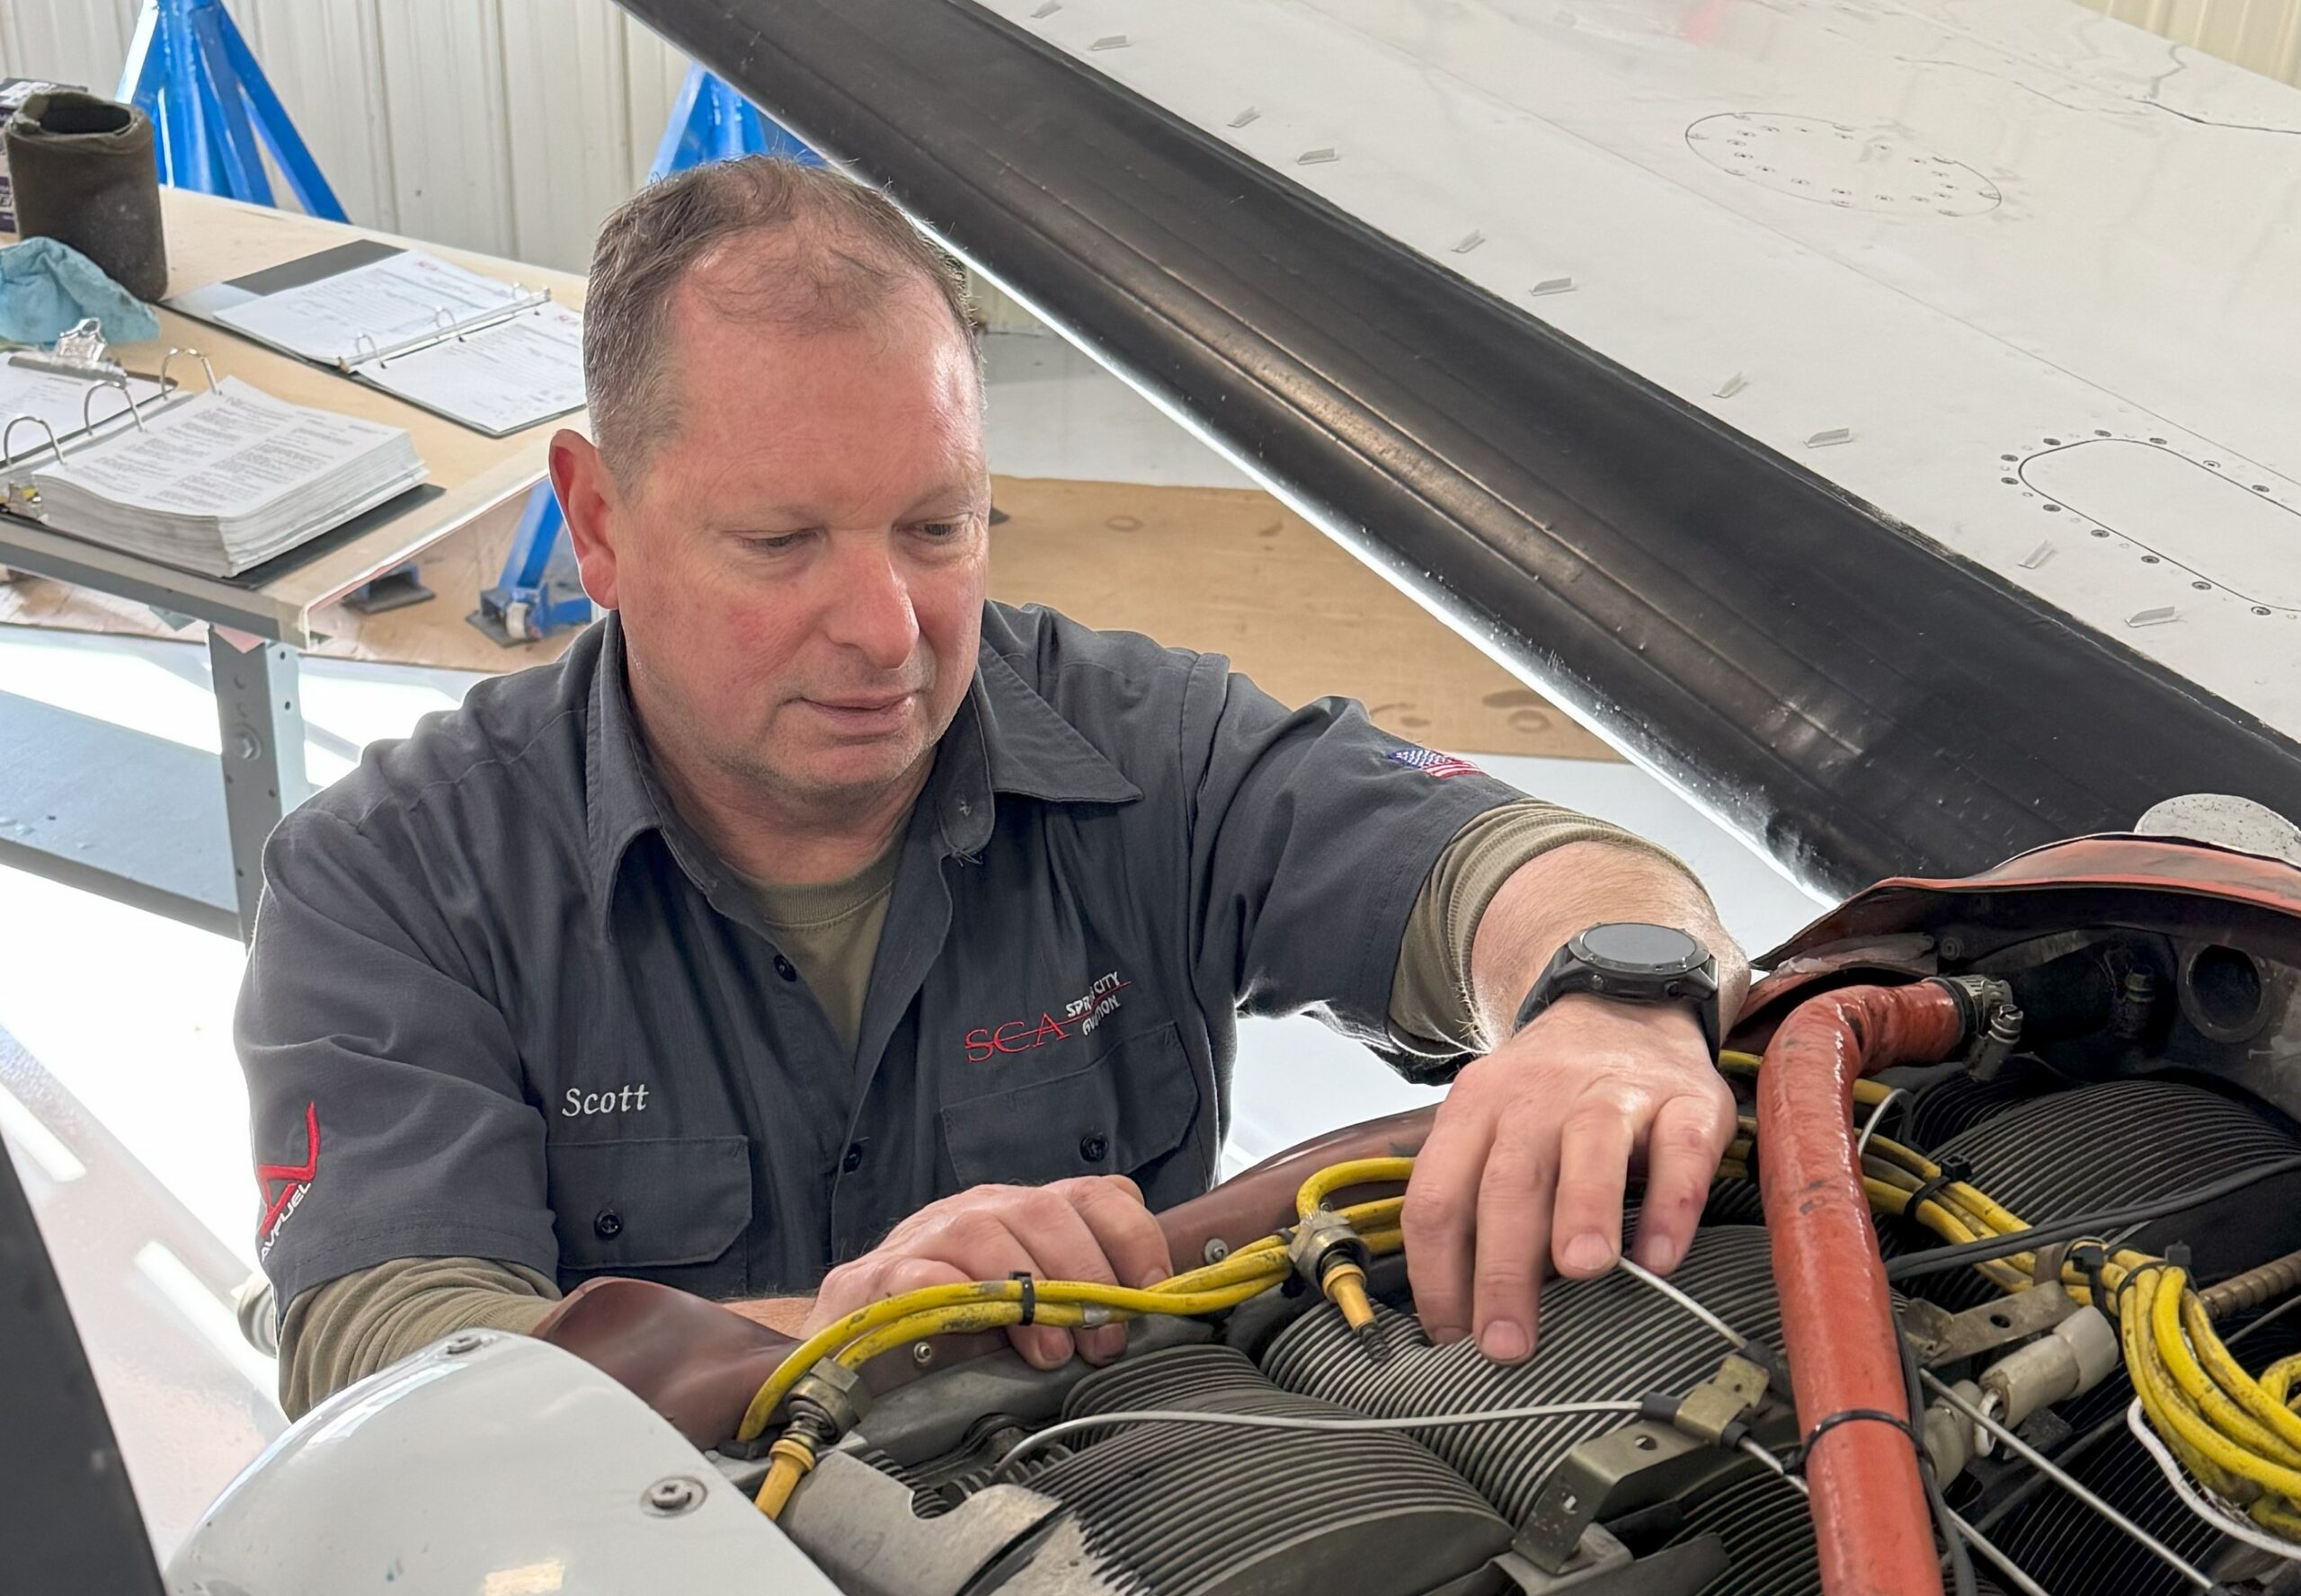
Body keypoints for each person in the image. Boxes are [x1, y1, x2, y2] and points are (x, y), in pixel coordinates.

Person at [239, 156, 1747, 1418]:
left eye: (937, 527)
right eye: (782, 543)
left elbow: (1517, 864)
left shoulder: (1146, 744)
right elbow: (387, 1362)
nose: (889, 628)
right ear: (600, 522)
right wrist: (859, 1322)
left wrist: (1616, 996)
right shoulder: (390, 880)